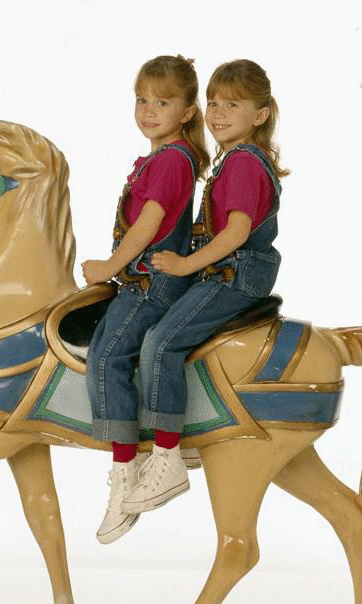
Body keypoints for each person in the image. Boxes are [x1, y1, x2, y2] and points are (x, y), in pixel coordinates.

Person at [120, 59, 289, 515]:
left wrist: (183, 265)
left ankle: (167, 455)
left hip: (233, 276)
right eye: (213, 103)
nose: (219, 113)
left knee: (160, 341)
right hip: (225, 272)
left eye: (232, 105)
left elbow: (235, 233)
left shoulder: (243, 163)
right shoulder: (234, 160)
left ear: (260, 114)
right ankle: (189, 434)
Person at [81, 55, 210, 544]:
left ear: (187, 111)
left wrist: (108, 267)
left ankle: (127, 472)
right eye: (142, 100)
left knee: (106, 356)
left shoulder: (173, 159)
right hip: (140, 280)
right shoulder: (159, 159)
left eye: (163, 102)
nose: (149, 111)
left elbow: (149, 226)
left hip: (151, 283)